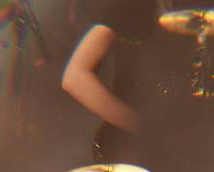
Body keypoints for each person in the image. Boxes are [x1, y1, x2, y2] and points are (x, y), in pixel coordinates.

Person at [61, 0, 161, 163]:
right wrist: (140, 126)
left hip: (175, 140)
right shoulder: (128, 6)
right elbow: (74, 77)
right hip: (129, 148)